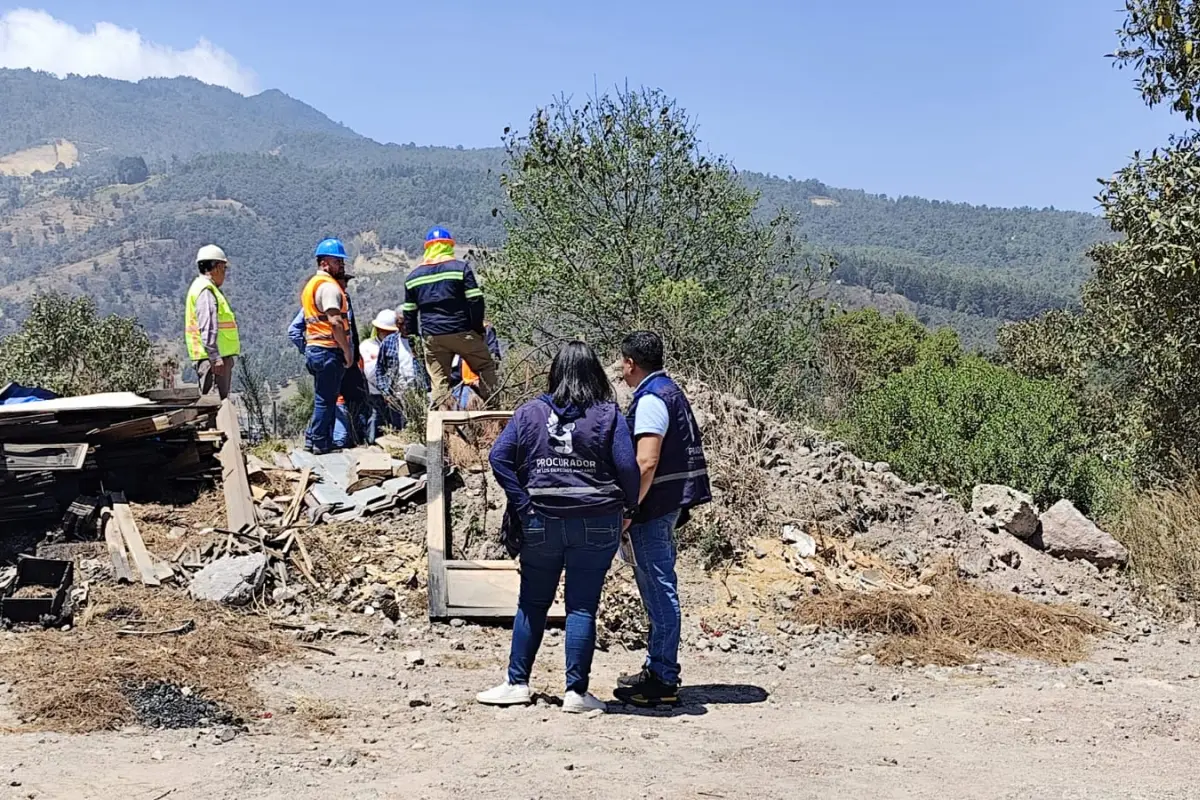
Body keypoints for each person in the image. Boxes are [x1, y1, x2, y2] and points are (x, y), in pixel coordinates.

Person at [478, 341, 640, 713]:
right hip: (597, 521)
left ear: (555, 372)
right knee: (582, 607)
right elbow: (628, 467)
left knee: (532, 603)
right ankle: (576, 693)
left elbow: (498, 457)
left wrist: (523, 504)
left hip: (540, 521)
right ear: (595, 374)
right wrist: (628, 505)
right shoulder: (606, 413)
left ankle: (517, 683)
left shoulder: (530, 412)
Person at [613, 331, 712, 708]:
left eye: (622, 362)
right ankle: (657, 667)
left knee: (658, 590)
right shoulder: (670, 391)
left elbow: (647, 460)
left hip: (652, 508)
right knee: (658, 588)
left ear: (631, 363)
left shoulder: (652, 400)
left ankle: (663, 678)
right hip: (665, 504)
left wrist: (629, 508)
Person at [401, 227, 498, 406]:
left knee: (439, 381)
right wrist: (476, 328)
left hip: (433, 336)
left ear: (427, 248)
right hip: (462, 331)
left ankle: (444, 427)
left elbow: (409, 314)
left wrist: (415, 340)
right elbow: (476, 301)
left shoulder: (413, 277)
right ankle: (493, 412)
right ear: (449, 246)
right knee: (485, 367)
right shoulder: (460, 269)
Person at [300, 237, 354, 454]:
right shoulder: (329, 287)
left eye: (342, 261)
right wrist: (347, 350)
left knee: (322, 397)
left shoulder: (311, 285)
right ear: (324, 263)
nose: (341, 265)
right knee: (327, 400)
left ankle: (312, 439)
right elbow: (335, 321)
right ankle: (321, 443)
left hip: (314, 347)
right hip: (327, 349)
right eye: (337, 261)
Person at [184, 244, 240, 400]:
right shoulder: (206, 291)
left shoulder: (201, 288)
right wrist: (215, 357)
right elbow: (207, 326)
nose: (224, 273)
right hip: (213, 361)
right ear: (216, 267)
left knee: (214, 405)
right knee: (214, 406)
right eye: (223, 268)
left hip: (211, 359)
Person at [359, 309, 400, 443]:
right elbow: (369, 371)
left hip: (396, 391)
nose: (386, 334)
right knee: (376, 416)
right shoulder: (367, 346)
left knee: (395, 418)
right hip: (374, 391)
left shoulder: (399, 344)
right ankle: (371, 441)